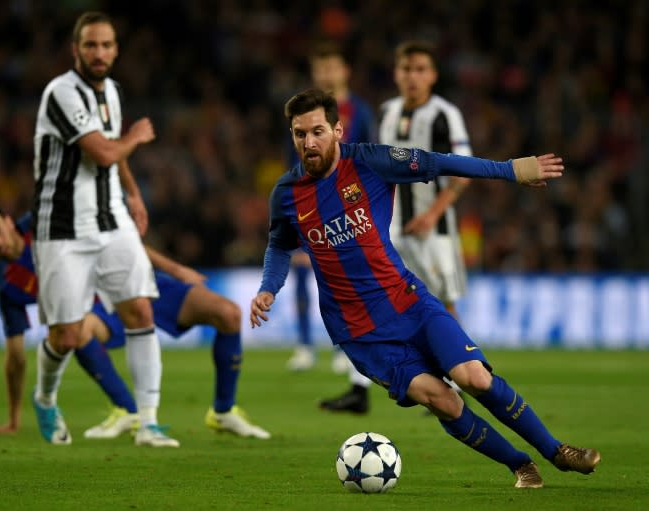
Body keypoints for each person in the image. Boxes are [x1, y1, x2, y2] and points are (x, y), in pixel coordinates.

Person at [250, 88, 600, 488]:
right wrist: (268, 289)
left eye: (317, 131)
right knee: (443, 400)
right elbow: (279, 244)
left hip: (409, 302)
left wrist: (510, 170)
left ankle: (557, 451)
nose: (308, 143)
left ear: (337, 129)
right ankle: (521, 465)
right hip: (362, 334)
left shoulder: (371, 162)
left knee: (474, 378)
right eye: (299, 134)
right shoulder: (287, 194)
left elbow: (439, 162)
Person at [0, 201, 270, 443]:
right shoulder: (8, 287)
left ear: (8, 221)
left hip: (134, 285)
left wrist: (176, 270)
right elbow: (16, 358)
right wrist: (14, 418)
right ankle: (129, 410)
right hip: (97, 311)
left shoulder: (44, 218)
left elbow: (118, 240)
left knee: (229, 313)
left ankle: (223, 411)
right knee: (77, 331)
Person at [29, 11, 166, 446]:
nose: (100, 52)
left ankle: (148, 421)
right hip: (63, 226)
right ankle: (46, 398)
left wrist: (133, 193)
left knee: (141, 311)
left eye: (107, 45)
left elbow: (114, 154)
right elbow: (104, 151)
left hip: (111, 219)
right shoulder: (61, 93)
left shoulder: (113, 92)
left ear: (116, 49)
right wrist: (137, 137)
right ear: (76, 50)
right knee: (67, 335)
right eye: (91, 45)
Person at [320, 40, 471, 414]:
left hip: (432, 230)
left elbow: (462, 170)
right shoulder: (386, 111)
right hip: (387, 228)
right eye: (406, 69)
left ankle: (455, 380)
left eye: (420, 69)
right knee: (372, 297)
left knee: (441, 302)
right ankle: (359, 388)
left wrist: (434, 213)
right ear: (396, 73)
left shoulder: (444, 114)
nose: (412, 77)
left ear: (433, 75)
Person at [285, 41, 377, 372]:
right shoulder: (303, 114)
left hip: (349, 207)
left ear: (344, 71)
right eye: (320, 68)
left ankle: (346, 348)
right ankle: (305, 345)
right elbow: (291, 163)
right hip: (310, 205)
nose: (326, 74)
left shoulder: (361, 112)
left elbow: (370, 157)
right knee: (300, 271)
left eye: (331, 67)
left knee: (347, 279)